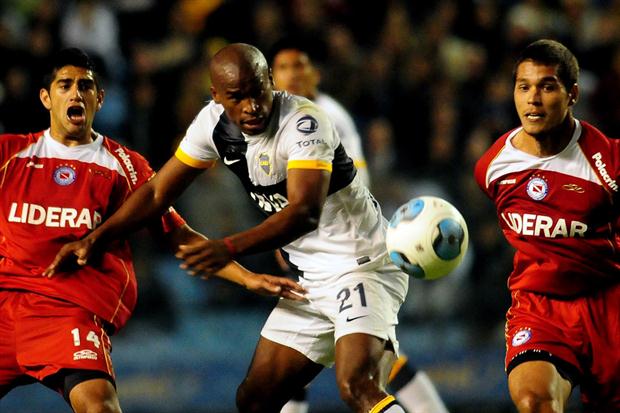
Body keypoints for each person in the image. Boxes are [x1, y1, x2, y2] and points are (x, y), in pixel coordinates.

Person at [47, 43, 410, 413]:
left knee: (357, 386)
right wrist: (97, 237)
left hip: (361, 266)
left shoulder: (304, 122)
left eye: (258, 92)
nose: (251, 106)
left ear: (271, 80)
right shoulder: (212, 125)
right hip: (311, 281)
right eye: (237, 98)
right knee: (253, 399)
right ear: (216, 96)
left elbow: (304, 212)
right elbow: (157, 192)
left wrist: (229, 247)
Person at [0, 47, 304, 413]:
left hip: (66, 312)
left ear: (100, 98)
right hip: (4, 303)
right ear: (46, 97)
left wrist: (247, 278)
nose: (76, 93)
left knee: (99, 407)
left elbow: (179, 235)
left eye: (86, 85)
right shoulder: (9, 155)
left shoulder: (123, 166)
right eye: (65, 85)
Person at [270, 38, 449, 413]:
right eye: (283, 68)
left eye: (299, 66)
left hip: (345, 251)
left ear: (314, 75)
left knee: (325, 358)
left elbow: (352, 188)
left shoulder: (327, 118)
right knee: (356, 358)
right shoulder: (285, 119)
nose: (292, 76)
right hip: (323, 247)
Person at [474, 39, 620, 412]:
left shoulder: (608, 162)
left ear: (572, 94)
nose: (533, 99)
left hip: (609, 308)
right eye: (524, 86)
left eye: (547, 86)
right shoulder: (493, 168)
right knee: (534, 401)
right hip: (540, 309)